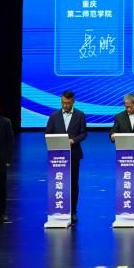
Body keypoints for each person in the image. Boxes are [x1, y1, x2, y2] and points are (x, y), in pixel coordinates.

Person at [45, 90, 88, 223]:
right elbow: (47, 133)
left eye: (68, 103)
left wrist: (73, 140)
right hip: (57, 156)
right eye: (63, 103)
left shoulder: (80, 115)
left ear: (73, 101)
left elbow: (84, 133)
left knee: (73, 183)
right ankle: (59, 209)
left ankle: (73, 211)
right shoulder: (54, 115)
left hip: (73, 154)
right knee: (59, 183)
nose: (65, 105)